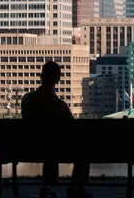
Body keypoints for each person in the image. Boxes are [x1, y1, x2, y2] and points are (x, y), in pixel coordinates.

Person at [21, 61, 93, 198]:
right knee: (81, 150)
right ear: (58, 79)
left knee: (49, 145)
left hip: (30, 147)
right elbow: (73, 128)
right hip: (56, 148)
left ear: (41, 76)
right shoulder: (59, 105)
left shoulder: (26, 100)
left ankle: (47, 187)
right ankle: (75, 188)